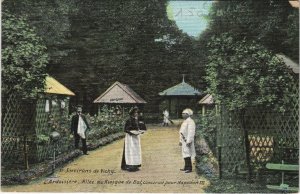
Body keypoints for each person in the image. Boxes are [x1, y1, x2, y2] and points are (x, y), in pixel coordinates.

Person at [121, 107, 147, 171]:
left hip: (135, 137)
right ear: (132, 113)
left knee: (136, 151)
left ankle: (135, 165)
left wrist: (140, 131)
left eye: (137, 112)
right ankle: (130, 166)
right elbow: (126, 129)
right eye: (135, 112)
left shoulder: (136, 120)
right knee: (130, 150)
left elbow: (138, 128)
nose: (136, 114)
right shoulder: (129, 120)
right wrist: (132, 132)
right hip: (130, 138)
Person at [179, 108, 196, 173]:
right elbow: (181, 131)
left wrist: (189, 141)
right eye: (182, 113)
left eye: (184, 113)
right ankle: (186, 167)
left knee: (188, 153)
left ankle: (189, 168)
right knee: (184, 153)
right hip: (183, 140)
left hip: (188, 140)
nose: (182, 114)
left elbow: (191, 132)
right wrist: (180, 140)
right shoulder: (185, 121)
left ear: (188, 114)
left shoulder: (191, 121)